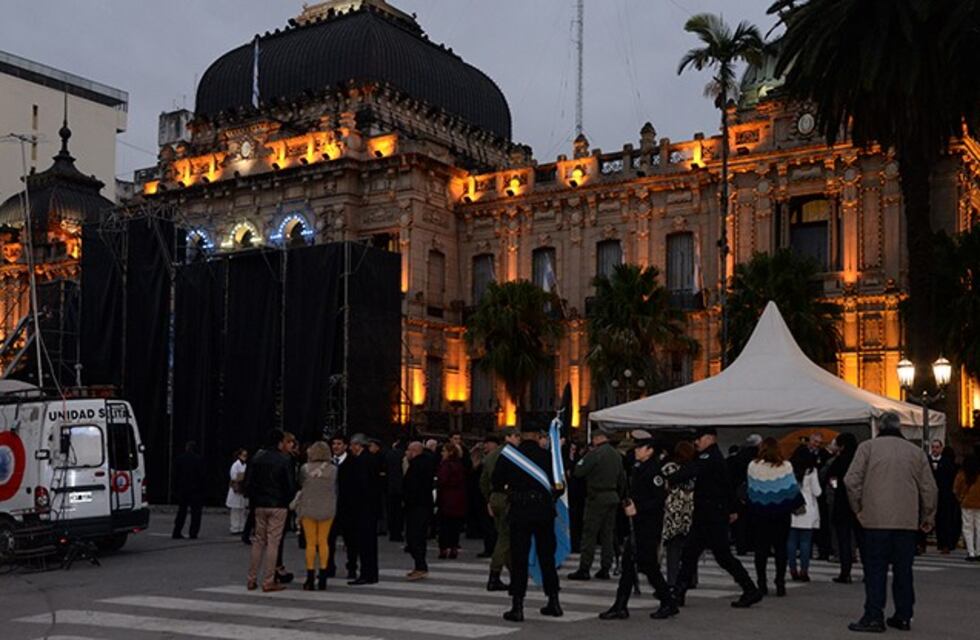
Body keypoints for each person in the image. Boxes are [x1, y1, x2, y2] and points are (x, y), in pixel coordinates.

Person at [844, 412, 937, 633]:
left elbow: (851, 480)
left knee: (875, 569)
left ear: (880, 427)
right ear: (900, 427)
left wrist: (858, 508)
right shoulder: (916, 452)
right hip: (906, 521)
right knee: (904, 570)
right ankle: (904, 615)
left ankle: (874, 615)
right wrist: (927, 516)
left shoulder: (867, 448)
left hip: (875, 520)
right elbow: (929, 488)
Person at [671, 427, 762, 609]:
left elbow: (691, 471)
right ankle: (678, 593)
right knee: (690, 553)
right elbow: (726, 485)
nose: (696, 442)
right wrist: (733, 508)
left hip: (712, 515)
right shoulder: (711, 456)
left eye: (699, 438)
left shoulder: (709, 456)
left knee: (722, 556)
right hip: (708, 514)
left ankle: (750, 589)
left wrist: (669, 476)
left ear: (710, 438)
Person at [598, 437, 677, 621]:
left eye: (640, 448)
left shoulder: (654, 471)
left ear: (649, 450)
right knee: (629, 564)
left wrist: (638, 508)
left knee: (648, 565)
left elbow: (658, 500)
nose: (636, 451)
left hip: (648, 525)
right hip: (637, 524)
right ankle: (620, 605)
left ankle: (668, 602)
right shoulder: (638, 467)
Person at [492, 425, 563, 622]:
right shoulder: (548, 456)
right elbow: (560, 485)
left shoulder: (510, 455)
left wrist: (511, 490)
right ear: (538, 436)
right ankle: (554, 601)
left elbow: (496, 482)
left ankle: (517, 606)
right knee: (547, 557)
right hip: (544, 512)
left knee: (519, 558)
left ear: (521, 436)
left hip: (521, 510)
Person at [568, 428, 625, 580]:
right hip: (612, 496)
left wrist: (582, 457)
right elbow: (622, 480)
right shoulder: (616, 455)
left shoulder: (595, 454)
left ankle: (584, 568)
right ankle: (605, 567)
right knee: (607, 534)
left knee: (590, 534)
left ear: (596, 439)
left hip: (596, 497)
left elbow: (579, 471)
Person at [746, 437, 800, 597]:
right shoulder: (786, 466)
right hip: (781, 513)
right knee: (781, 549)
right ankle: (780, 582)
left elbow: (751, 490)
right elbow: (791, 490)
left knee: (761, 550)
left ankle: (761, 583)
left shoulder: (753, 466)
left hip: (760, 513)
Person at [244, 429, 297, 592]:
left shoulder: (257, 458)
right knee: (273, 542)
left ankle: (251, 579)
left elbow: (248, 482)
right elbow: (290, 485)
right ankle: (269, 580)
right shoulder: (284, 459)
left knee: (258, 541)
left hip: (259, 503)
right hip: (278, 504)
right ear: (280, 442)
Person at [293, 441, 337, 591]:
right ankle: (323, 575)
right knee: (323, 541)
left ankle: (310, 576)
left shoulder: (305, 468)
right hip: (327, 508)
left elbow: (300, 484)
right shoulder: (333, 470)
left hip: (309, 507)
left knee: (311, 543)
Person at [482, 429, 520, 591]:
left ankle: (514, 573)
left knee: (504, 535)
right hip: (507, 498)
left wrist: (488, 500)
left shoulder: (491, 455)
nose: (519, 439)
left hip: (495, 497)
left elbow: (483, 481)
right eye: (516, 436)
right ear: (507, 437)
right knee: (505, 538)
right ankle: (494, 575)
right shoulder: (512, 454)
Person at [347, 433, 382, 585]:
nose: (350, 448)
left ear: (358, 445)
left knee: (364, 543)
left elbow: (361, 485)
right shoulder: (371, 459)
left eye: (352, 445)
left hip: (363, 507)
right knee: (370, 543)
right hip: (371, 506)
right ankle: (371, 573)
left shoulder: (361, 461)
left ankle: (366, 573)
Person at [662, 440, 697, 590]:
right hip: (690, 509)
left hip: (673, 510)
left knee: (673, 547)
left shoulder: (669, 468)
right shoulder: (695, 468)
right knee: (690, 547)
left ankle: (673, 579)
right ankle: (691, 578)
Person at [827, 432, 861, 583]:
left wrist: (836, 487)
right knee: (863, 540)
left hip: (842, 502)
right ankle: (868, 572)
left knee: (844, 540)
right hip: (861, 502)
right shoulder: (860, 459)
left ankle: (845, 572)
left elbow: (831, 477)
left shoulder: (839, 460)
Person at [403, 440, 438, 579]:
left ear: (414, 451)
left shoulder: (417, 465)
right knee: (418, 537)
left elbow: (412, 486)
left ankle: (420, 566)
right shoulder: (426, 463)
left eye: (408, 451)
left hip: (417, 506)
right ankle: (419, 565)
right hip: (423, 505)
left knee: (415, 537)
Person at [325, 433, 358, 580]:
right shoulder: (328, 463)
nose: (336, 447)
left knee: (350, 540)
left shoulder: (353, 463)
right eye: (334, 444)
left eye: (339, 444)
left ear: (345, 446)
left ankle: (352, 567)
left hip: (348, 507)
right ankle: (329, 567)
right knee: (328, 540)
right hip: (330, 506)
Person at [788, 445, 822, 582]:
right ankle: (804, 571)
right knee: (805, 542)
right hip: (808, 508)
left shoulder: (789, 469)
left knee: (791, 541)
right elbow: (817, 491)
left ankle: (792, 570)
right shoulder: (811, 471)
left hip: (792, 507)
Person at [729, 434, 762, 556]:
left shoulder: (737, 457)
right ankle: (752, 544)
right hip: (753, 492)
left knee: (740, 522)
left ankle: (741, 546)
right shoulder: (756, 459)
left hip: (739, 492)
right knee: (753, 521)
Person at [437, 442, 467, 559]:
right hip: (458, 499)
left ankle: (443, 549)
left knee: (444, 526)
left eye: (444, 451)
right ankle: (454, 547)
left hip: (446, 498)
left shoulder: (445, 465)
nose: (442, 453)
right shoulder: (459, 465)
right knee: (455, 526)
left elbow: (442, 480)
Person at [172, 441, 206, 540]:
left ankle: (177, 531)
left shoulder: (179, 459)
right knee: (196, 513)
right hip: (196, 491)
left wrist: (175, 489)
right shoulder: (199, 460)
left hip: (182, 490)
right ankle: (193, 533)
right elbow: (202, 476)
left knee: (181, 512)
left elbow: (175, 476)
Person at [932, 444, 961, 554]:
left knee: (944, 520)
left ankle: (944, 543)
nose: (935, 450)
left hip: (946, 496)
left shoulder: (948, 465)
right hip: (941, 495)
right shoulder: (930, 461)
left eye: (937, 447)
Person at [954, 454, 980, 561]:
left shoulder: (962, 474)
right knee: (979, 528)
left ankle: (971, 552)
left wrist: (960, 498)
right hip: (979, 504)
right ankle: (979, 551)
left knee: (967, 528)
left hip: (966, 504)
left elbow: (956, 489)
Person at [384, 439, 406, 542]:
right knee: (399, 511)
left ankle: (392, 532)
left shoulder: (388, 455)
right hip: (401, 486)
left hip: (390, 485)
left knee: (391, 510)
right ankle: (398, 532)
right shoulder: (403, 456)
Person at [226, 449, 249, 535]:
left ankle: (241, 527)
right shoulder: (235, 465)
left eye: (246, 455)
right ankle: (234, 528)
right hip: (236, 489)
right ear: (239, 456)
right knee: (235, 510)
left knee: (242, 510)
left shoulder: (245, 465)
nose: (245, 457)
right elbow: (233, 477)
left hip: (242, 489)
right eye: (243, 455)